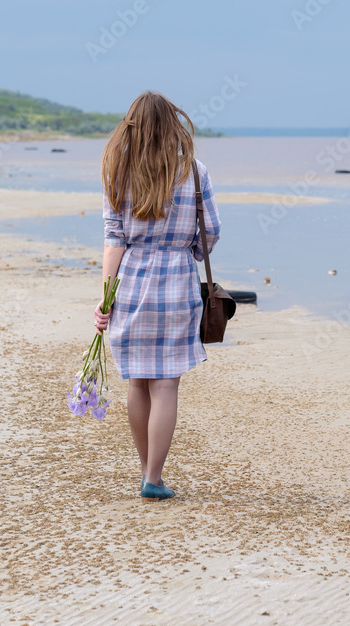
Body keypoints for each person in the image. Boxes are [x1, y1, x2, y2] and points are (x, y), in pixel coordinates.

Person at [94, 91, 221, 502]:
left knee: (138, 383)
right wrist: (190, 252)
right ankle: (153, 476)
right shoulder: (195, 172)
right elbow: (211, 232)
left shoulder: (118, 171)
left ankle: (148, 471)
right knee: (166, 386)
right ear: (172, 125)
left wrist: (105, 298)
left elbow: (114, 240)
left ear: (131, 126)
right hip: (178, 282)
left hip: (131, 282)